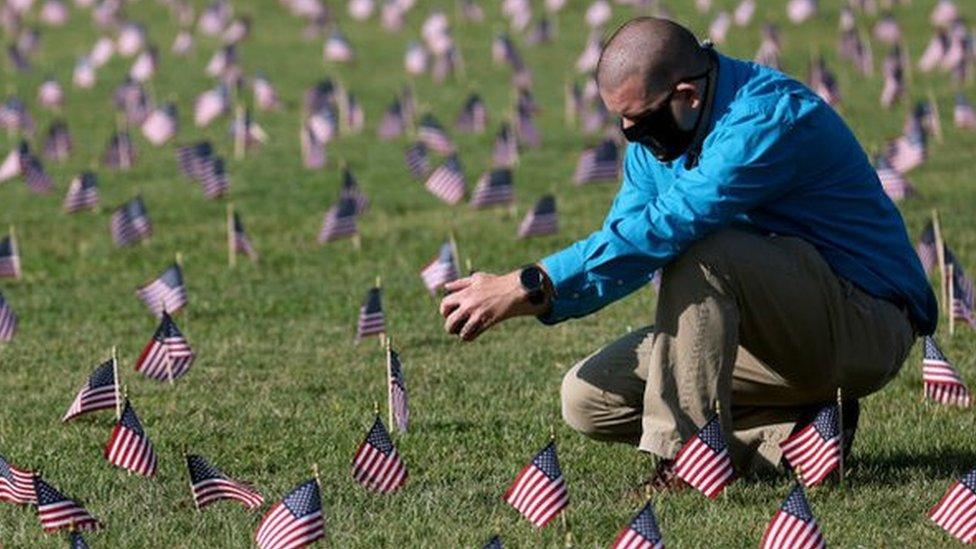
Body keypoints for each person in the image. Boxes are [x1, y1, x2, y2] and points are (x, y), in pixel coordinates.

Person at [438, 17, 936, 488]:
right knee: (587, 398)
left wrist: (532, 281)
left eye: (639, 119)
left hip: (862, 323)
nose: (631, 135)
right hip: (775, 334)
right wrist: (542, 296)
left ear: (687, 96)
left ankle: (686, 462)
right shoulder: (659, 139)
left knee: (704, 251)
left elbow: (670, 225)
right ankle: (797, 437)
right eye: (621, 122)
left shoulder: (764, 118)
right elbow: (627, 239)